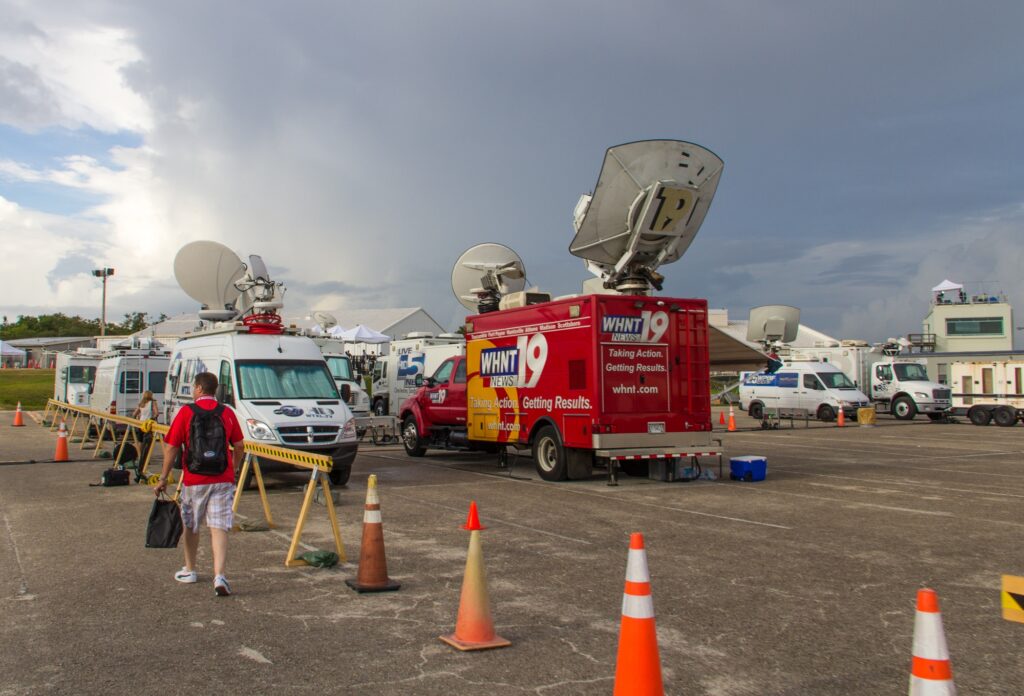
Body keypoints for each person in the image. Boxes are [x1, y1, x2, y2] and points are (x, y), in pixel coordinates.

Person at [155, 372, 244, 597]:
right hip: (222, 479)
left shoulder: (186, 412)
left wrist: (163, 477)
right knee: (219, 526)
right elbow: (240, 445)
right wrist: (232, 468)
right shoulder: (227, 412)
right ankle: (220, 575)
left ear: (198, 388)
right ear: (215, 390)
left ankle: (190, 569)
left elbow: (172, 446)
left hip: (194, 479)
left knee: (192, 525)